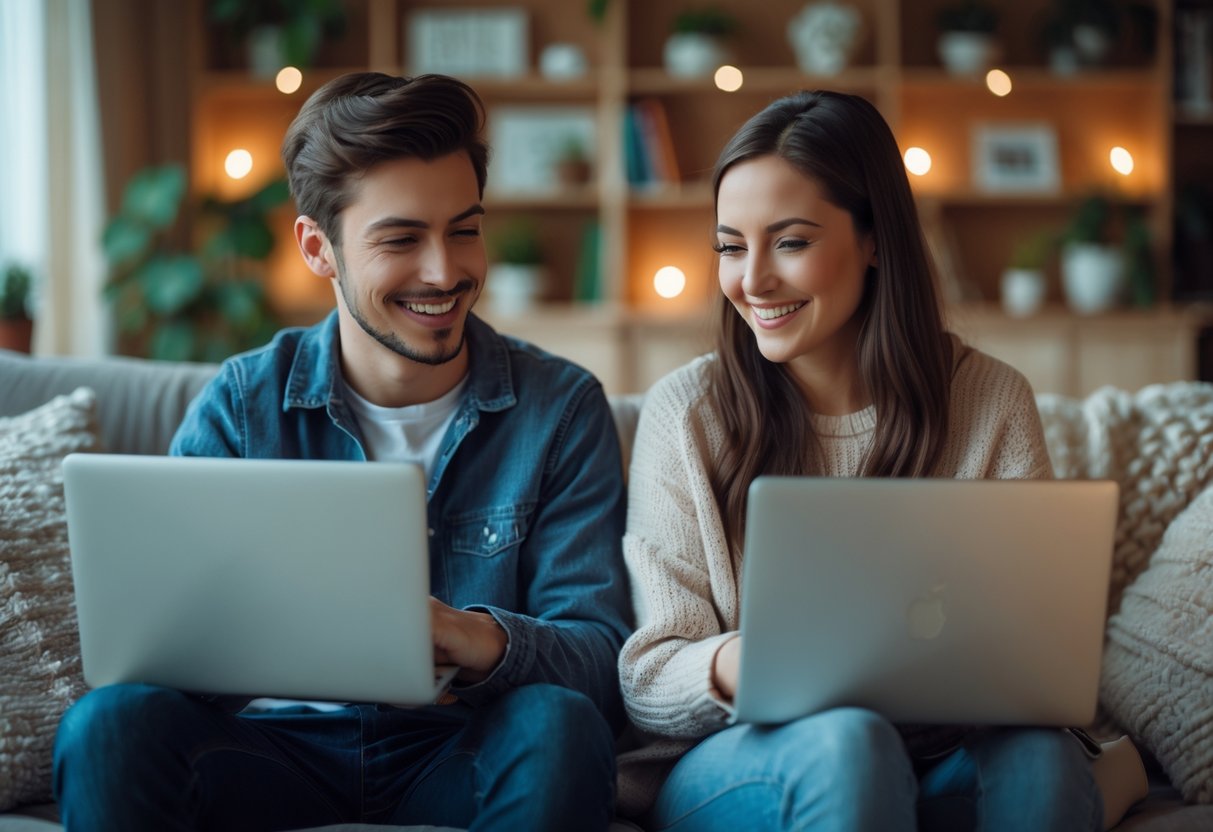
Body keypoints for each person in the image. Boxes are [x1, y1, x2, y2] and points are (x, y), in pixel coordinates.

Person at [53, 72, 632, 832]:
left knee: (559, 727)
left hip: (461, 746)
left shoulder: (559, 409)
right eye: (400, 239)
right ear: (318, 249)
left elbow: (599, 660)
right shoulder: (243, 401)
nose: (445, 271)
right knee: (109, 724)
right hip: (268, 748)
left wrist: (470, 636)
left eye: (463, 228)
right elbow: (157, 657)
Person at [615, 89, 1111, 831]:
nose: (751, 281)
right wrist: (747, 662)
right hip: (747, 762)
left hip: (941, 749)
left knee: (1042, 753)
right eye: (729, 246)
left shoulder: (990, 400)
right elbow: (648, 672)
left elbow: (1033, 657)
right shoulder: (687, 413)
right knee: (852, 742)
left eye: (789, 242)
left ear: (874, 239)